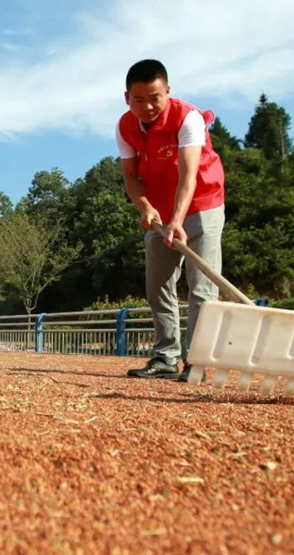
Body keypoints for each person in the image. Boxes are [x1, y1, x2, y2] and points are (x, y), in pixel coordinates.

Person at [116, 59, 226, 381]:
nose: (147, 106)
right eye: (139, 100)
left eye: (155, 97)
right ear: (127, 99)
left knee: (201, 286)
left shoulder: (187, 118)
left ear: (167, 92)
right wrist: (145, 207)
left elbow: (188, 176)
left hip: (202, 202)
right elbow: (131, 178)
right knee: (158, 285)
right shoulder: (124, 127)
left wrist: (178, 219)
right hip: (160, 211)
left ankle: (198, 361)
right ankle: (165, 358)